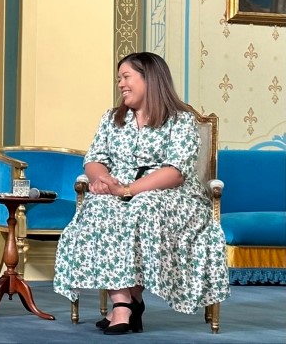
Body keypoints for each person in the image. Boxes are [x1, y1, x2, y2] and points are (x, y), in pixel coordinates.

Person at [53, 52, 229, 335]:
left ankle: (129, 305)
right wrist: (103, 181)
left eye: (126, 77)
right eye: (119, 78)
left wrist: (126, 189)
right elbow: (94, 159)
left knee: (143, 205)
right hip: (119, 191)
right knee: (100, 207)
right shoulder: (111, 119)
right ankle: (124, 302)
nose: (120, 84)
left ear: (150, 79)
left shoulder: (180, 121)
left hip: (174, 197)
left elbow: (175, 172)